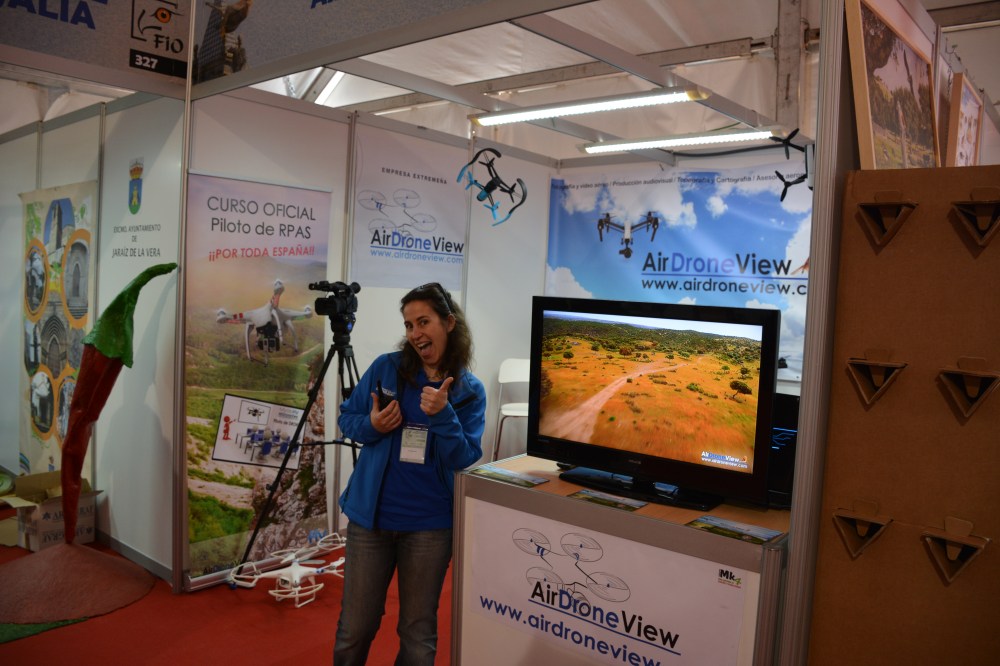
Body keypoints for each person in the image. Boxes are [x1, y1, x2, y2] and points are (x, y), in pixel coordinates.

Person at [334, 282, 486, 665]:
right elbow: (347, 419)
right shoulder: (387, 367)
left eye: (423, 321)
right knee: (357, 628)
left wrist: (444, 414)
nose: (415, 333)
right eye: (408, 325)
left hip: (430, 527)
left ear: (449, 323)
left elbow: (464, 456)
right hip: (372, 521)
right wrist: (372, 424)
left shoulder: (469, 390)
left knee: (418, 633)